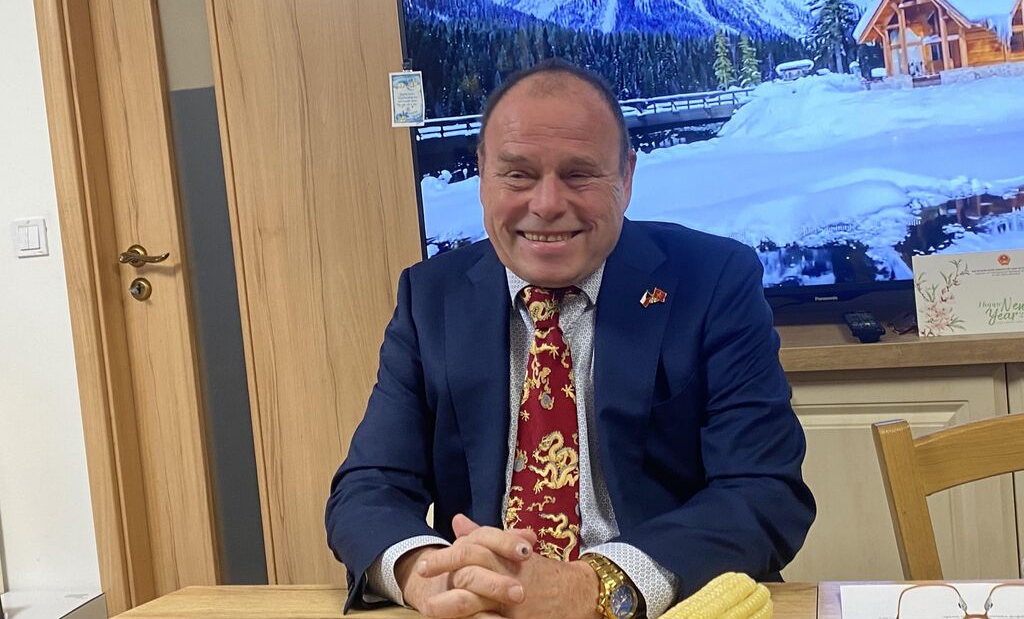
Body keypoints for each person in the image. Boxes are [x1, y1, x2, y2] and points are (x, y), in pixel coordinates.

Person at [326, 59, 815, 619]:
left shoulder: (715, 280)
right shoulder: (430, 297)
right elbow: (368, 488)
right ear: (482, 175)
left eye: (579, 175)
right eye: (517, 175)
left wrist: (593, 586)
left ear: (626, 177)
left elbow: (764, 491)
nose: (547, 204)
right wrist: (429, 574)